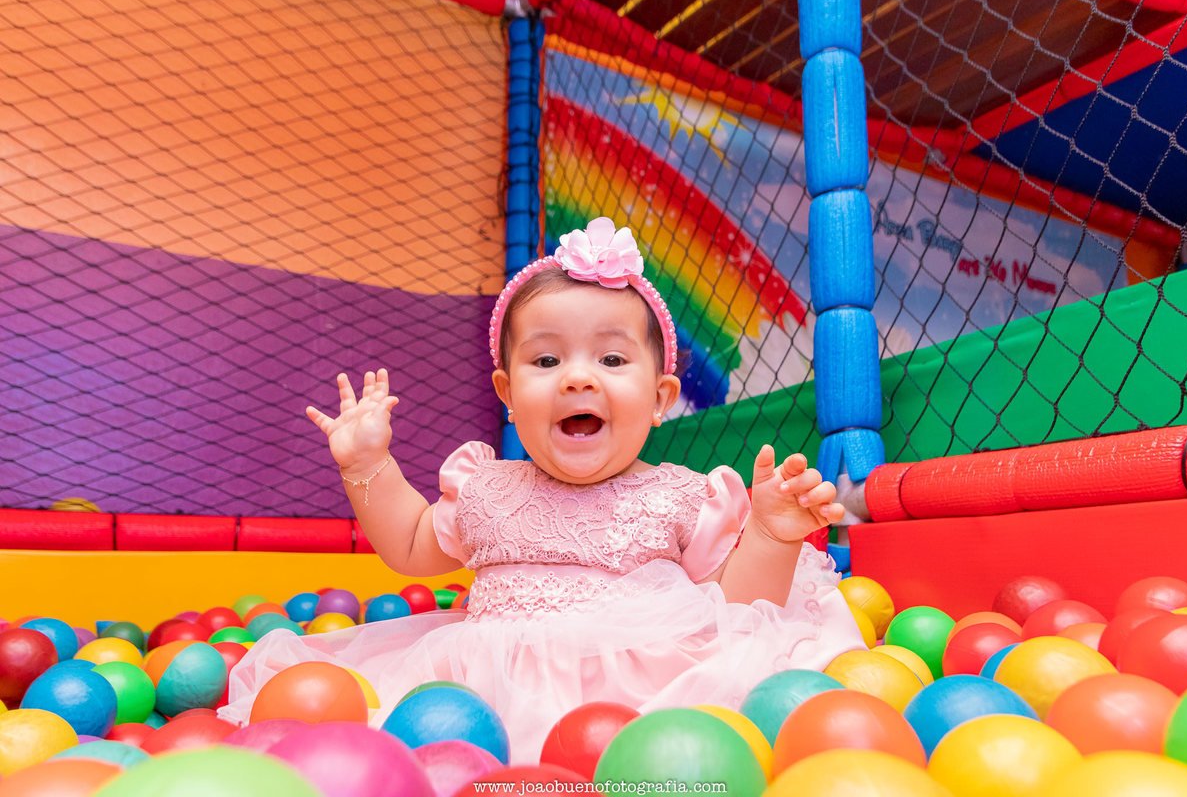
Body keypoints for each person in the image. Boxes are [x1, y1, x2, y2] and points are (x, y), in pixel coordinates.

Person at [220, 217, 865, 761]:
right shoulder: (485, 488)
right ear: (507, 392)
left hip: (644, 700)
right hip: (486, 699)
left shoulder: (681, 496)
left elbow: (739, 606)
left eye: (611, 359)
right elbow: (412, 547)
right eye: (547, 360)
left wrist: (769, 533)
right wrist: (368, 465)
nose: (577, 379)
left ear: (661, 398)